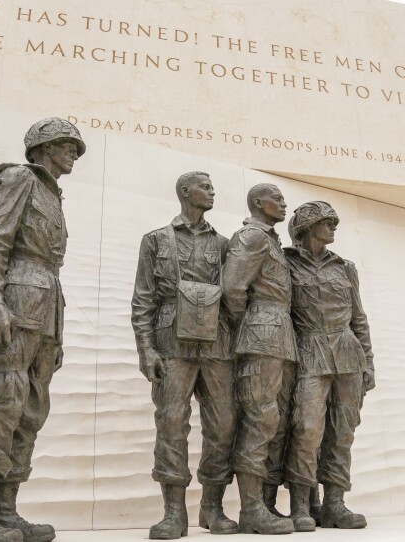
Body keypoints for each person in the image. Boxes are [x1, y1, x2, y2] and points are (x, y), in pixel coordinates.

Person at [0, 118, 85, 542]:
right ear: (44, 147)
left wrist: (57, 332)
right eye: (67, 145)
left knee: (31, 410)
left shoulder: (53, 193)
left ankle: (4, 508)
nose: (73, 153)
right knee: (3, 403)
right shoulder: (19, 178)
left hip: (45, 307)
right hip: (14, 301)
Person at [131, 171, 238, 539]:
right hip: (170, 340)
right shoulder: (155, 240)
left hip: (217, 343)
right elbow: (143, 299)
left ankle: (213, 506)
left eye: (212, 187)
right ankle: (174, 512)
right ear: (185, 191)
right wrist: (146, 348)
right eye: (205, 187)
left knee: (223, 424)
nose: (212, 192)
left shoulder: (225, 245)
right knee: (171, 423)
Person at [282, 201, 374, 531]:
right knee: (306, 428)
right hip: (309, 350)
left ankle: (335, 503)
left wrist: (369, 363)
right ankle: (301, 504)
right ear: (307, 227)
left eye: (334, 221)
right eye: (327, 221)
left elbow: (358, 318)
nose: (334, 226)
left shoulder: (345, 267)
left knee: (342, 432)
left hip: (348, 353)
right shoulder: (285, 264)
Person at [222, 183, 296, 535]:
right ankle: (251, 509)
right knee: (260, 418)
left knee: (274, 421)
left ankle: (263, 504)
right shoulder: (251, 236)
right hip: (262, 334)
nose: (283, 204)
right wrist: (250, 323)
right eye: (276, 199)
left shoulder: (270, 240)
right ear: (258, 203)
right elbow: (233, 287)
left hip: (279, 336)